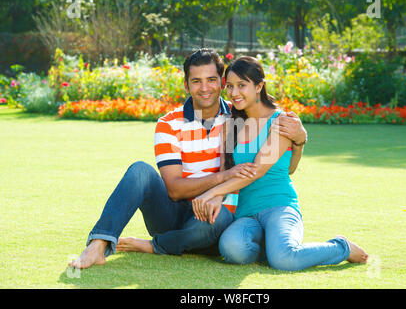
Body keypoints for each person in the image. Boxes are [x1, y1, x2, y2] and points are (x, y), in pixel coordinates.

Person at [69, 49, 305, 269]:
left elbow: (275, 166)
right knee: (140, 170)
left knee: (218, 216)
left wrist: (300, 140)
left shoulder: (237, 119)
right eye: (196, 81)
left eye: (212, 80)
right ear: (186, 85)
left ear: (222, 83)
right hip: (172, 213)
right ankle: (98, 245)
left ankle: (156, 245)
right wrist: (222, 178)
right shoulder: (168, 124)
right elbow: (174, 190)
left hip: (214, 217)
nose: (205, 88)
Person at [192, 56, 368, 271]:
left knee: (285, 259)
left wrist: (209, 193)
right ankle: (274, 248)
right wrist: (217, 195)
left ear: (259, 86)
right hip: (247, 213)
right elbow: (226, 171)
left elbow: (257, 170)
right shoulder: (231, 125)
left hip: (280, 207)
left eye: (241, 85)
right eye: (229, 86)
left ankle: (341, 247)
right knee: (231, 249)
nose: (234, 93)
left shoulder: (282, 122)